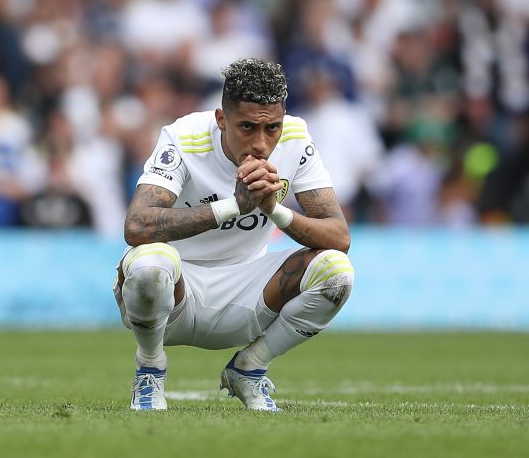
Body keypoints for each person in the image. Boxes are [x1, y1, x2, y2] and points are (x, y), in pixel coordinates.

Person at [112, 58, 354, 411]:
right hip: (173, 293)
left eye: (272, 128)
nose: (261, 143)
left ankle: (250, 368)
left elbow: (339, 236)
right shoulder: (184, 137)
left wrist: (274, 209)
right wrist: (232, 207)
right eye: (247, 127)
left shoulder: (296, 138)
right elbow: (137, 226)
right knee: (150, 264)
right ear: (221, 119)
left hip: (248, 293)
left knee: (336, 272)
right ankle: (150, 370)